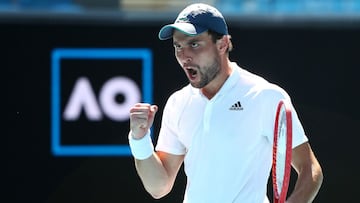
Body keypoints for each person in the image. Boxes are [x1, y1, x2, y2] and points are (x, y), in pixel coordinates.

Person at [128, 3, 323, 203]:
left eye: (194, 44)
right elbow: (159, 187)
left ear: (222, 44)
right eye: (178, 46)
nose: (184, 56)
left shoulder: (265, 96)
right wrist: (139, 140)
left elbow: (310, 170)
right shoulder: (178, 103)